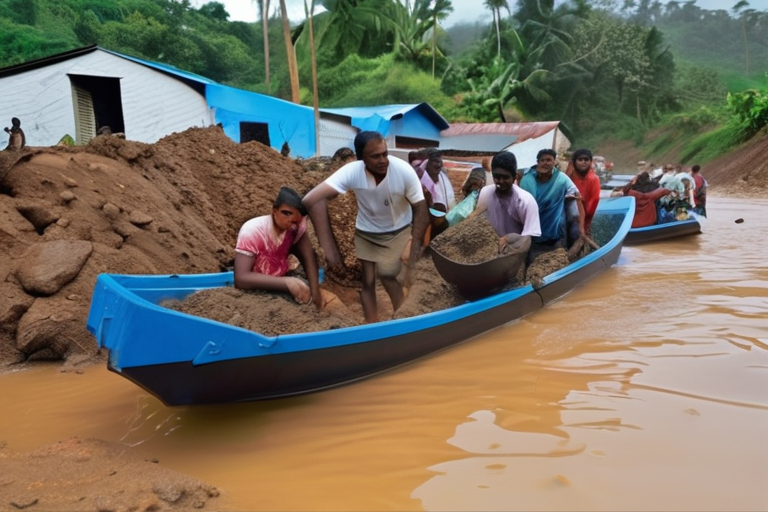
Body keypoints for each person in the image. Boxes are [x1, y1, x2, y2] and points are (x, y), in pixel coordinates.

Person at [302, 131, 429, 323]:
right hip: (367, 232)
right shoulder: (353, 171)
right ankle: (372, 324)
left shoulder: (402, 171)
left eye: (385, 154)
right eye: (375, 156)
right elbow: (311, 200)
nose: (383, 160)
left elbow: (421, 209)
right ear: (361, 158)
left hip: (399, 229)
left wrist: (414, 242)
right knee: (367, 281)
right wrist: (329, 248)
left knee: (388, 275)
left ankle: (403, 318)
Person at [234, 187, 323, 309]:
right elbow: (241, 279)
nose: (290, 220)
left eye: (296, 218)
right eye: (285, 213)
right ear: (274, 211)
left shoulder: (295, 228)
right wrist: (286, 282)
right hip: (253, 290)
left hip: (279, 285)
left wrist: (315, 294)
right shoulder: (253, 230)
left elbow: (309, 258)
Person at [470, 151, 541, 256]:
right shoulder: (485, 193)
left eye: (505, 177)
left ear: (515, 177)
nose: (500, 181)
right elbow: (480, 224)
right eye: (497, 177)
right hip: (489, 253)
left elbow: (527, 239)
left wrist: (509, 240)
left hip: (514, 255)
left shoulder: (525, 201)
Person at [519, 149, 582, 258]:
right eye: (542, 160)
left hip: (556, 231)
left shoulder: (561, 178)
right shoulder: (527, 180)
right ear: (537, 162)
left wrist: (566, 197)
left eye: (549, 160)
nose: (546, 163)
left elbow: (575, 192)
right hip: (533, 231)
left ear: (554, 162)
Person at [420, 148, 456, 239]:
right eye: (436, 162)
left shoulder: (442, 177)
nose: (439, 165)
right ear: (427, 163)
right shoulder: (421, 180)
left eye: (440, 162)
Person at [568, 149, 602, 237]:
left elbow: (593, 203)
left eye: (586, 160)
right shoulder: (570, 176)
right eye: (580, 160)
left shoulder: (594, 179)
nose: (583, 162)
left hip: (584, 217)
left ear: (590, 162)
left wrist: (582, 223)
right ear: (574, 162)